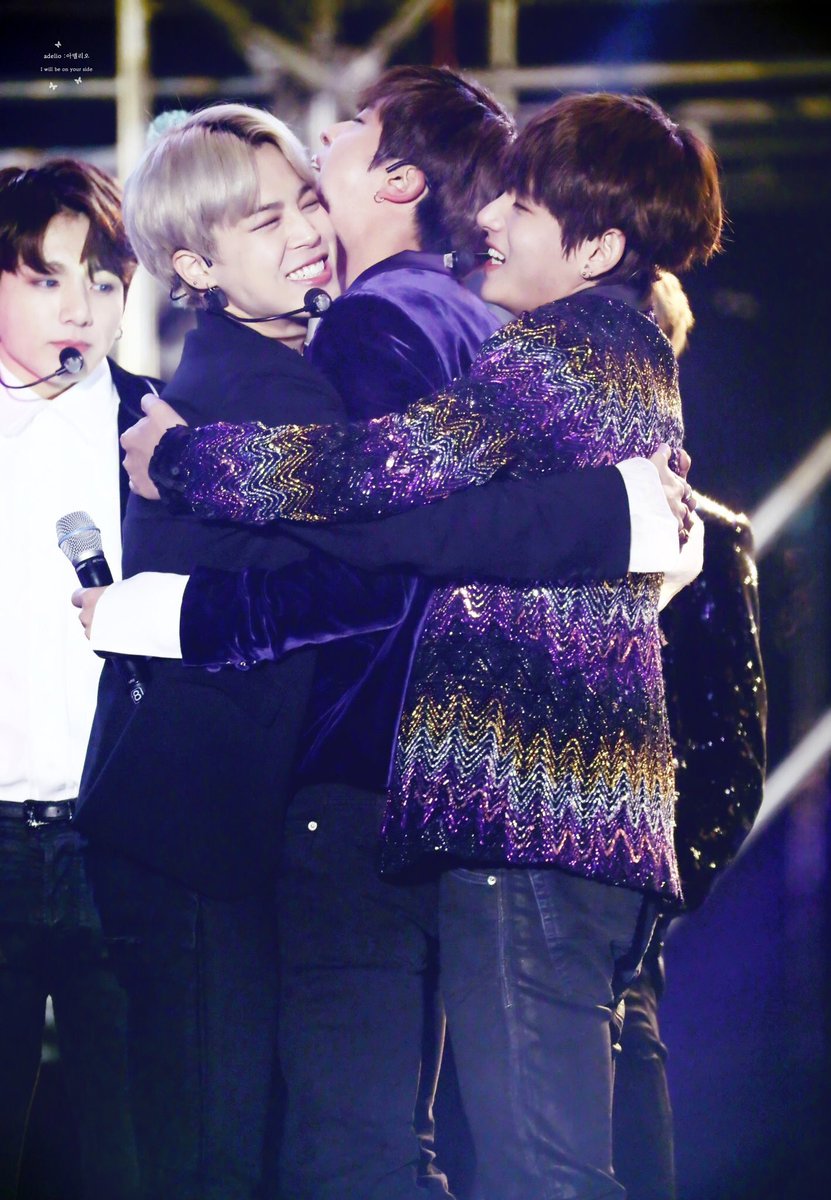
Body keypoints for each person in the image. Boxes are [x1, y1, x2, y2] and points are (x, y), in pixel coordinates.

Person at [79, 79, 697, 1200]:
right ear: (197, 266)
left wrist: (182, 488)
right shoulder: (511, 326)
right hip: (465, 801)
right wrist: (627, 521)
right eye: (269, 215)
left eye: (310, 193)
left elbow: (380, 504)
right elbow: (420, 529)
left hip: (467, 792)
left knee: (420, 1153)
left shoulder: (406, 327)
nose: (489, 219)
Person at [0, 160, 151, 1200]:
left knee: (136, 1153)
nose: (78, 309)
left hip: (124, 845)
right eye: (46, 278)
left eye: (102, 280)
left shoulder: (165, 432)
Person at [611, 273, 767, 1200]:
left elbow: (729, 760)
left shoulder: (711, 542)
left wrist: (648, 901)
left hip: (620, 915)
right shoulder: (514, 515)